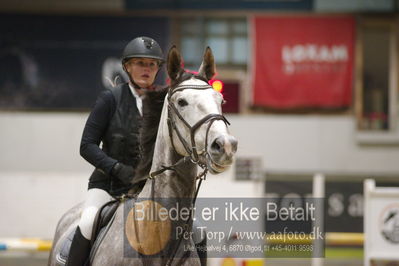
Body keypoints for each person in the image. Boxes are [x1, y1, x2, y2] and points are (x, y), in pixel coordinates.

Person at [66, 36, 164, 266]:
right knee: (88, 222)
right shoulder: (110, 99)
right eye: (140, 63)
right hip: (108, 187)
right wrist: (117, 168)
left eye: (152, 64)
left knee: (195, 230)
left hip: (151, 191)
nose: (146, 69)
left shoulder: (164, 103)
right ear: (127, 66)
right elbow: (87, 145)